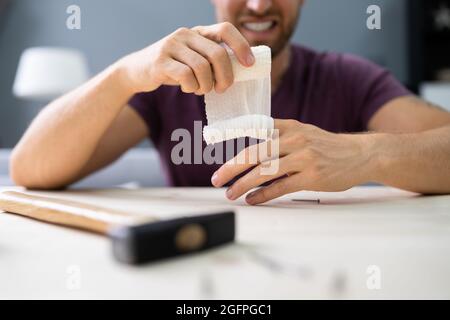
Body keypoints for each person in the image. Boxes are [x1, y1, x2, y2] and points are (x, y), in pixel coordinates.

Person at [10, 0, 450, 205]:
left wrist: (363, 154)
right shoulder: (170, 83)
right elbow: (29, 168)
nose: (258, 5)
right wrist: (126, 73)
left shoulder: (346, 77)